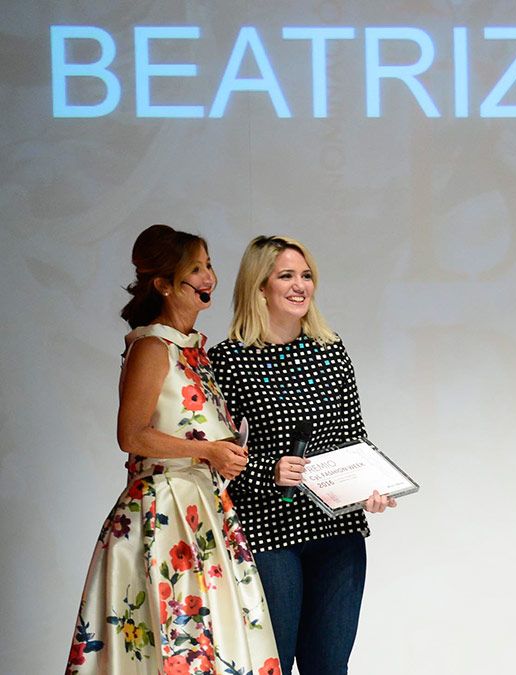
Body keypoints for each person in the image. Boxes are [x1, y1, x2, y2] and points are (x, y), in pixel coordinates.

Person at [66, 224, 279, 675]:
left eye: (209, 266)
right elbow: (132, 435)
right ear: (163, 284)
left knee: (209, 637)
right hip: (164, 513)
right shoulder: (152, 346)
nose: (209, 278)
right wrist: (208, 453)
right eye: (195, 270)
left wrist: (222, 453)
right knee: (171, 635)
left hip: (201, 509)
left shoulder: (192, 350)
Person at [208, 235, 395, 675]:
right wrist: (265, 471)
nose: (300, 286)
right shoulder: (229, 360)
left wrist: (373, 486)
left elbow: (354, 437)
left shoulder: (330, 349)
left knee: (329, 667)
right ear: (259, 288)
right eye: (286, 276)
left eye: (306, 275)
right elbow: (215, 458)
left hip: (338, 530)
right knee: (271, 664)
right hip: (270, 533)